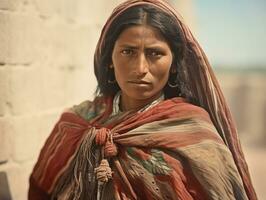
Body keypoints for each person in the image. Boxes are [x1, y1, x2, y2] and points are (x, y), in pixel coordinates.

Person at [28, 0, 257, 199]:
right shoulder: (76, 124)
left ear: (174, 64)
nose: (140, 68)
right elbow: (41, 190)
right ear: (110, 59)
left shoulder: (195, 133)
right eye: (128, 52)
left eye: (155, 53)